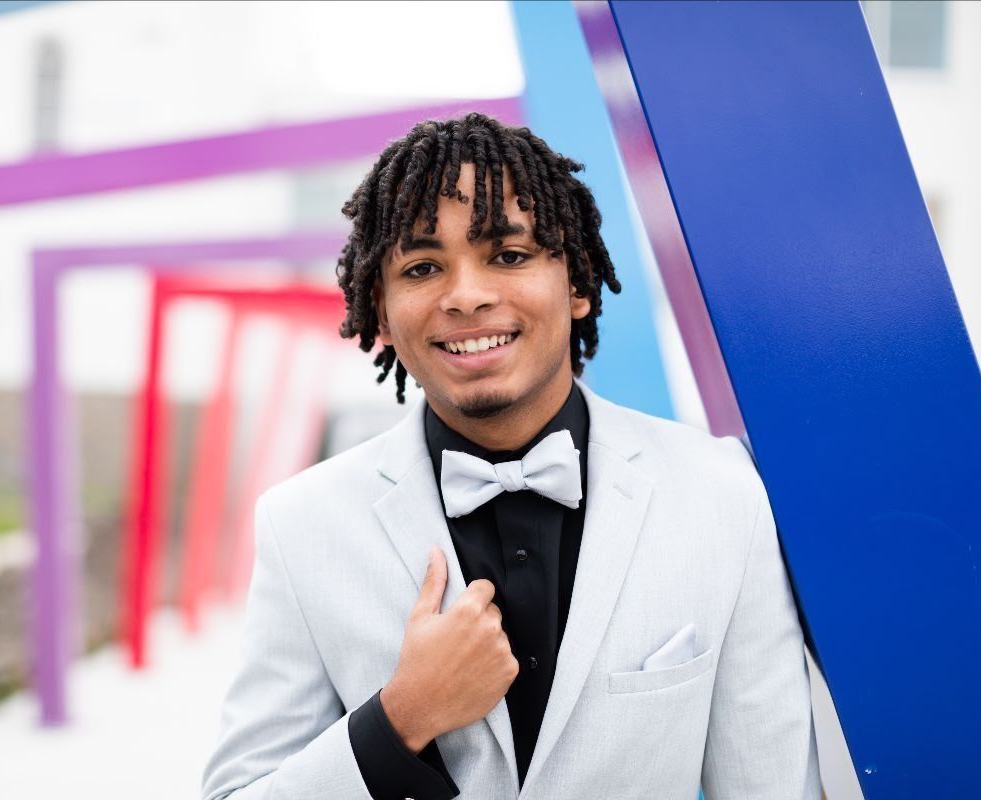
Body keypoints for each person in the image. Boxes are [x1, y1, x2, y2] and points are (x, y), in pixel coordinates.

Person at [200, 112, 820, 799]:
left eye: (509, 256)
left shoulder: (723, 494)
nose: (467, 296)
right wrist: (401, 718)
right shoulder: (301, 525)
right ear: (381, 312)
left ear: (577, 282)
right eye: (423, 267)